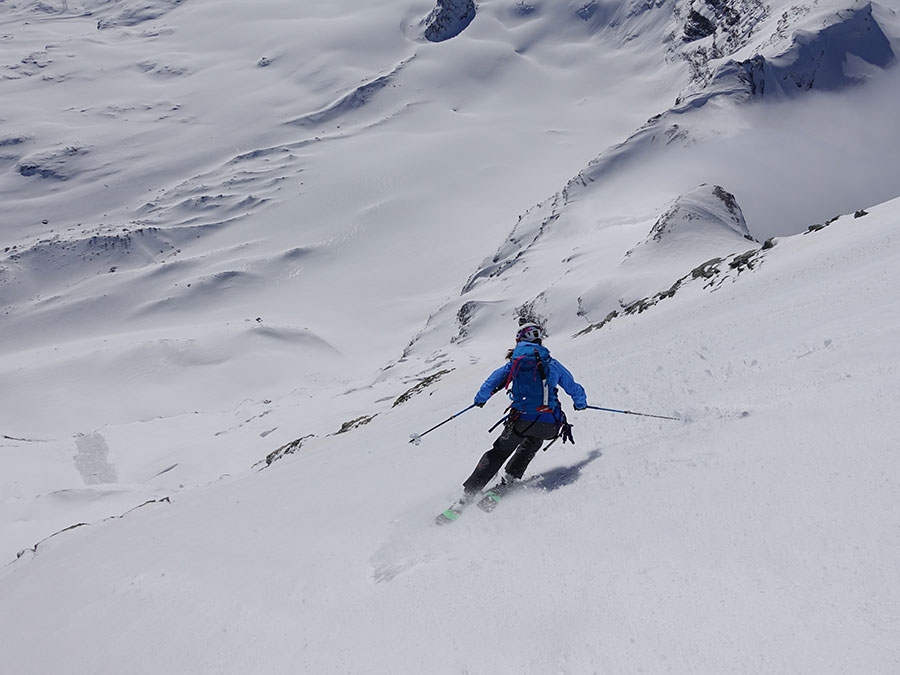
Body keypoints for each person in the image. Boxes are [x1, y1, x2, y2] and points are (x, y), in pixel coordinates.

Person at [460, 322, 587, 502]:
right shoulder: (551, 363)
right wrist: (580, 404)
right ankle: (509, 480)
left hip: (520, 420)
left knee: (499, 452)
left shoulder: (515, 363)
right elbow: (573, 387)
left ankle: (469, 493)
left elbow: (490, 383)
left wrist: (480, 400)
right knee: (533, 442)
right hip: (549, 424)